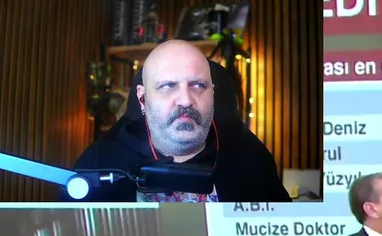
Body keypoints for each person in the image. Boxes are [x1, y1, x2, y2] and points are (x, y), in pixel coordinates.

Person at [69, 40, 290, 203]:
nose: (185, 100)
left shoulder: (252, 160)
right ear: (143, 98)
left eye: (198, 85)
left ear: (212, 94)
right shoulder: (98, 165)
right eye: (168, 86)